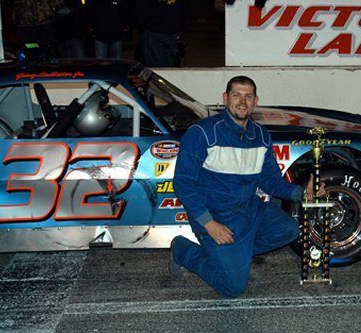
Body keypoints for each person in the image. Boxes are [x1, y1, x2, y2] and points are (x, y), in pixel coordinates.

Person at [171, 76, 321, 298]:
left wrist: (301, 193)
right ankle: (182, 250)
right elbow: (183, 182)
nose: (242, 101)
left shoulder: (260, 135)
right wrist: (209, 224)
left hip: (250, 211)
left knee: (289, 229)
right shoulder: (202, 132)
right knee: (232, 288)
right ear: (225, 98)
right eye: (236, 95)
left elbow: (269, 180)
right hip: (217, 217)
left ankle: (236, 254)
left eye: (248, 96)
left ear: (255, 100)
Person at [134, 0, 185, 67]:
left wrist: (142, 27)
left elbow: (141, 11)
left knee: (154, 64)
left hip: (153, 31)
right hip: (171, 31)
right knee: (168, 61)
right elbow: (182, 10)